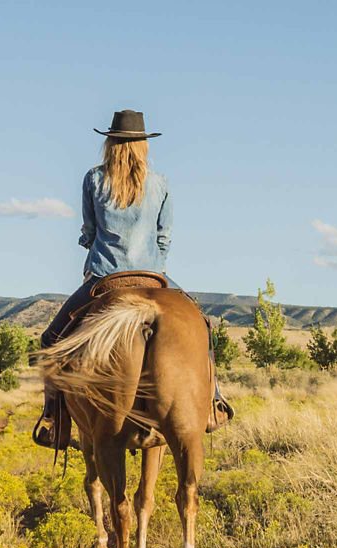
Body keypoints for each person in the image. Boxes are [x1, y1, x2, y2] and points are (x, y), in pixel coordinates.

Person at [32, 110, 231, 447]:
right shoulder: (160, 183)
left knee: (52, 339)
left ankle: (55, 420)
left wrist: (95, 245)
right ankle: (213, 402)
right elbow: (164, 237)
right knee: (204, 328)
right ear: (143, 146)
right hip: (154, 276)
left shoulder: (93, 180)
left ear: (110, 144)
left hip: (105, 278)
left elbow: (89, 232)